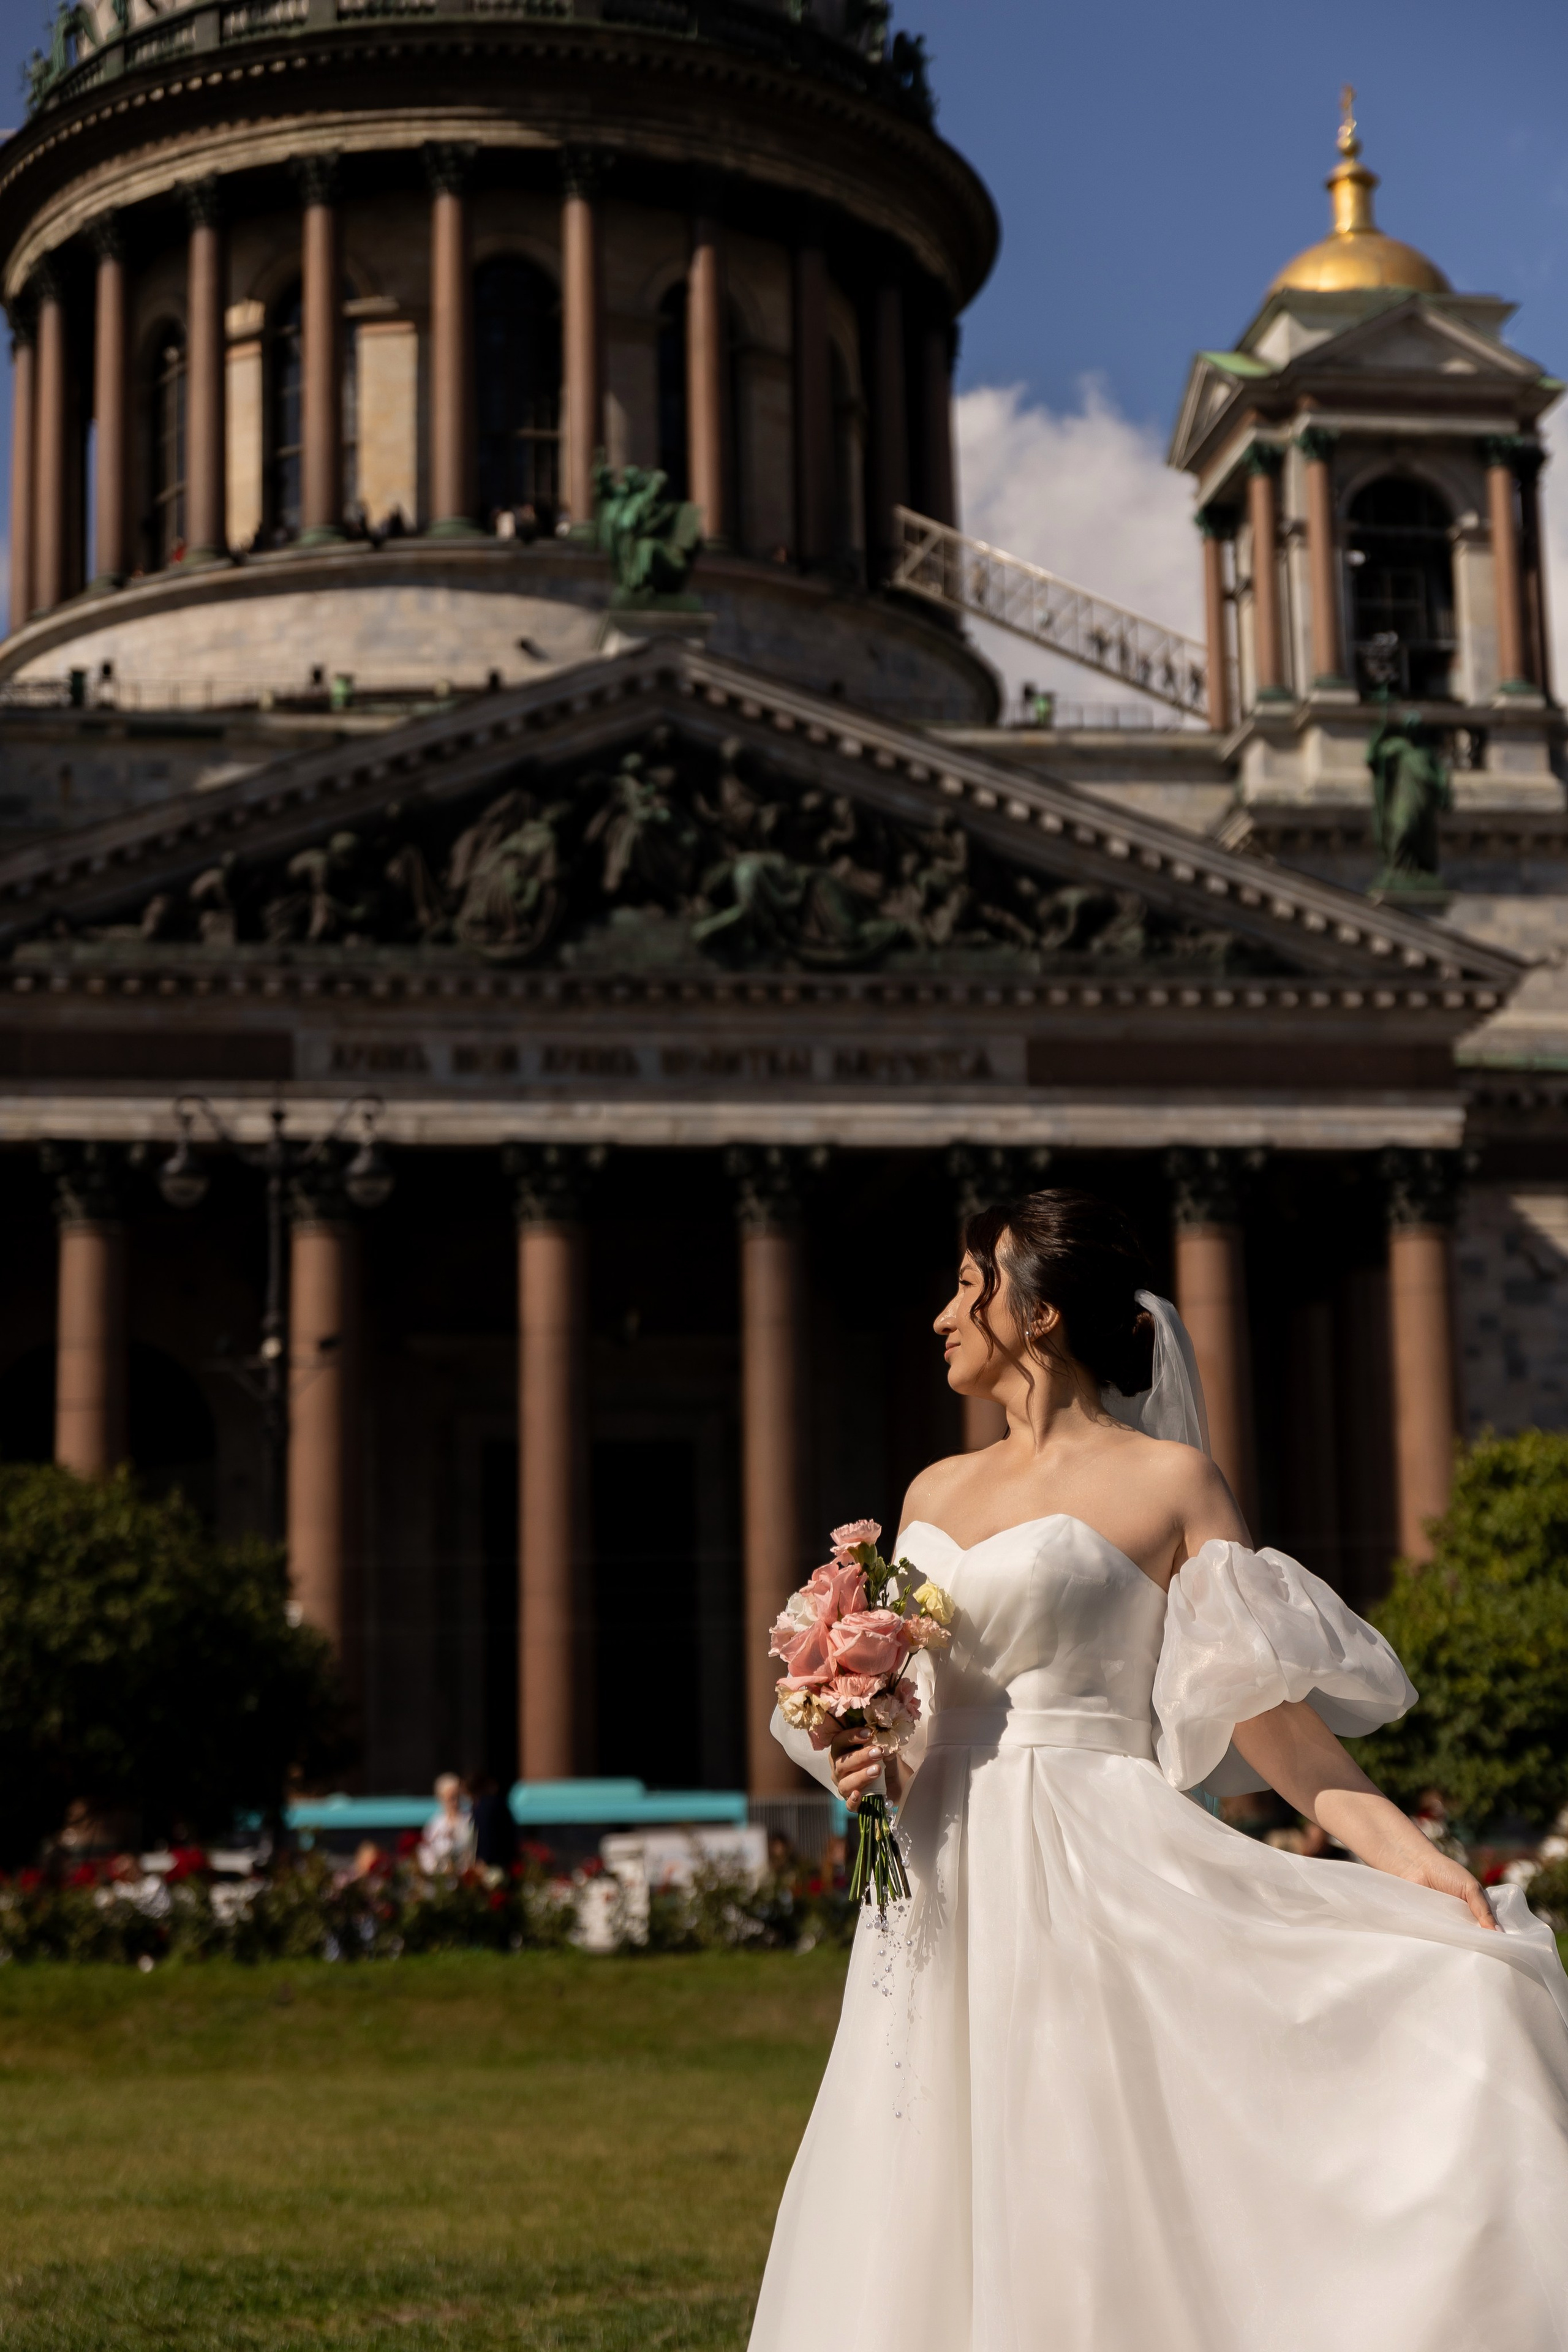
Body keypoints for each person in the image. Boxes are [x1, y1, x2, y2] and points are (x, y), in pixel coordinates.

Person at [749, 1189, 1568, 2352]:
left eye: (969, 1287)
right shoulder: (932, 1492)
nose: (942, 1316)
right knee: (920, 2142)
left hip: (1095, 1860)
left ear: (1036, 1314)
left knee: (1085, 2156)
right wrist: (854, 1735)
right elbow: (895, 1697)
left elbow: (1271, 1721)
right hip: (938, 1870)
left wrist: (1413, 1858)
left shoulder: (1173, 1485)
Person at [416, 1774, 475, 1876]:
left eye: (457, 1797)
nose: (455, 1802)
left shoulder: (469, 1820)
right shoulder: (435, 1824)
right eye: (451, 1798)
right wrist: (440, 1870)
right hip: (442, 1879)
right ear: (441, 1798)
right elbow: (425, 1854)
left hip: (466, 1877)